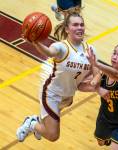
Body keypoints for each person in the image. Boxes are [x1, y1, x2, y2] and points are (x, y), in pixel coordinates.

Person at [16, 12, 98, 142]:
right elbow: (49, 52)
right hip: (51, 94)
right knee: (53, 135)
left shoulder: (90, 50)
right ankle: (31, 123)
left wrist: (95, 83)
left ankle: (39, 122)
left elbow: (96, 73)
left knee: (49, 122)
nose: (80, 27)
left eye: (82, 25)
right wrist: (35, 42)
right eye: (75, 25)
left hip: (67, 97)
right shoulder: (61, 47)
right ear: (67, 29)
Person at [80, 44, 118, 150]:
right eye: (114, 53)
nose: (114, 57)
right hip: (105, 118)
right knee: (101, 142)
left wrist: (95, 64)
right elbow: (81, 86)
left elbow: (116, 75)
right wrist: (97, 88)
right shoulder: (103, 75)